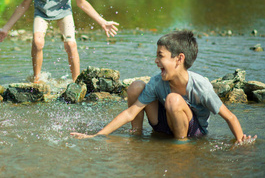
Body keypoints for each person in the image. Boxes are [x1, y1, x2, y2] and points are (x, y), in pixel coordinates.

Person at [71, 30, 257, 145]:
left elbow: (230, 116)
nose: (156, 60)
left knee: (173, 99)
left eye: (161, 56)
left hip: (192, 132)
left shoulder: (201, 86)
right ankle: (136, 133)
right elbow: (130, 113)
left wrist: (240, 141)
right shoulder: (157, 82)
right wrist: (97, 135)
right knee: (136, 86)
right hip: (163, 125)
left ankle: (180, 144)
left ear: (179, 59)